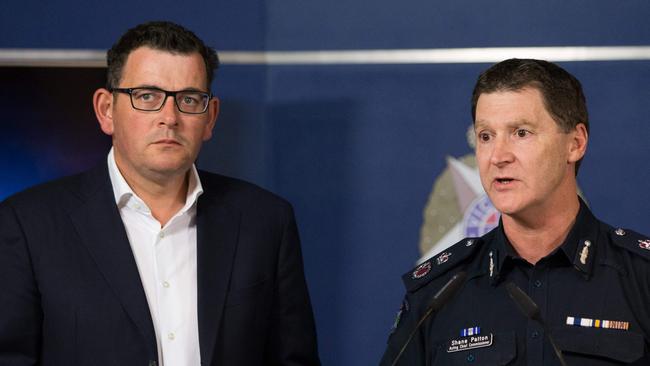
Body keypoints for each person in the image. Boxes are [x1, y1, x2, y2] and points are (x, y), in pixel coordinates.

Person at [0, 21, 320, 366]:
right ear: (106, 110)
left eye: (189, 99)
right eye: (147, 96)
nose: (170, 117)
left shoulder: (265, 221)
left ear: (210, 118)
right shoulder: (26, 225)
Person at [380, 59, 649, 365]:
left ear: (575, 144)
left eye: (521, 133)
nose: (497, 156)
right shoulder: (436, 293)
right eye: (485, 136)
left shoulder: (640, 278)